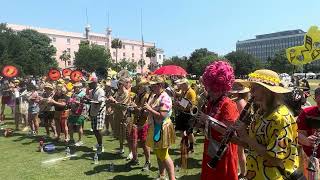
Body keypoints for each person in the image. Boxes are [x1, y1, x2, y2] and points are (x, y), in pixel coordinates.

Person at [234, 69, 302, 179]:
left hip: (273, 176)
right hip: (257, 174)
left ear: (267, 90)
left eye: (254, 88)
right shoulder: (260, 112)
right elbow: (254, 145)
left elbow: (275, 159)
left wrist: (246, 137)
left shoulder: (280, 118)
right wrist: (234, 138)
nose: (251, 92)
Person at [199, 61, 239, 180]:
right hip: (211, 147)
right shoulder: (211, 102)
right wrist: (200, 122)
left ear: (222, 88)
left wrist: (208, 120)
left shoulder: (228, 104)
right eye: (209, 88)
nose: (209, 91)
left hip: (223, 152)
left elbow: (229, 131)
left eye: (213, 89)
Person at [145, 76, 175, 180]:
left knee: (164, 154)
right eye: (151, 85)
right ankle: (162, 175)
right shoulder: (155, 96)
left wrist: (149, 109)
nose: (151, 87)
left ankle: (172, 178)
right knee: (158, 152)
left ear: (160, 85)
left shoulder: (165, 97)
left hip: (162, 127)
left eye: (153, 85)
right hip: (155, 126)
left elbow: (162, 115)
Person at [128, 78, 152, 170]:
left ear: (144, 87)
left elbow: (145, 112)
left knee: (144, 143)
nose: (138, 88)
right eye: (138, 86)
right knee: (133, 140)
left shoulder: (147, 96)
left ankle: (148, 162)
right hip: (136, 122)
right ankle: (135, 158)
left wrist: (135, 107)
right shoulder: (138, 95)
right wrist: (132, 108)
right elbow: (137, 110)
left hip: (143, 123)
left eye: (140, 86)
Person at [228, 80, 250, 179]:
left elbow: (243, 118)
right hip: (239, 129)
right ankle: (242, 171)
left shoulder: (240, 102)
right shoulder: (241, 100)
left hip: (239, 130)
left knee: (240, 153)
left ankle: (243, 172)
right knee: (239, 153)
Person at [297, 87, 320, 178]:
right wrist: (306, 140)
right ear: (315, 99)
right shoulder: (307, 113)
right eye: (319, 103)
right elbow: (298, 134)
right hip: (310, 158)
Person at [108, 78, 132, 155]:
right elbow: (114, 101)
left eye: (120, 84)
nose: (118, 86)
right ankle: (121, 149)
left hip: (125, 116)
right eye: (118, 84)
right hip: (118, 115)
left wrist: (114, 101)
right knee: (120, 133)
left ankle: (131, 152)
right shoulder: (118, 92)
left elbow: (123, 106)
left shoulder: (126, 93)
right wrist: (110, 101)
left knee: (127, 134)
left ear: (124, 85)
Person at [174, 78, 197, 153]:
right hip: (183, 113)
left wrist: (179, 103)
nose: (180, 86)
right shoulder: (185, 91)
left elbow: (191, 105)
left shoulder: (191, 92)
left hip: (188, 114)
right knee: (182, 130)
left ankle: (191, 147)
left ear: (185, 84)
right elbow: (181, 98)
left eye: (181, 85)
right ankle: (186, 144)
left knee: (189, 132)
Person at [87, 77, 106, 154]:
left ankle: (101, 146)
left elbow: (100, 102)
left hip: (99, 111)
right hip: (94, 111)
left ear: (94, 83)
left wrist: (90, 101)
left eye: (90, 83)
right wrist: (87, 99)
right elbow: (92, 100)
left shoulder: (100, 91)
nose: (89, 84)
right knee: (94, 129)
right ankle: (99, 143)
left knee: (98, 129)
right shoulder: (93, 90)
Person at [67, 82, 86, 146]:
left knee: (79, 126)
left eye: (76, 87)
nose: (75, 88)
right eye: (74, 87)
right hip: (72, 112)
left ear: (80, 87)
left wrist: (75, 101)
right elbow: (70, 101)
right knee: (70, 125)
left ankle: (80, 140)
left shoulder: (83, 94)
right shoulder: (73, 93)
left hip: (79, 113)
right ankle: (71, 139)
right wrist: (69, 102)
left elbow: (83, 103)